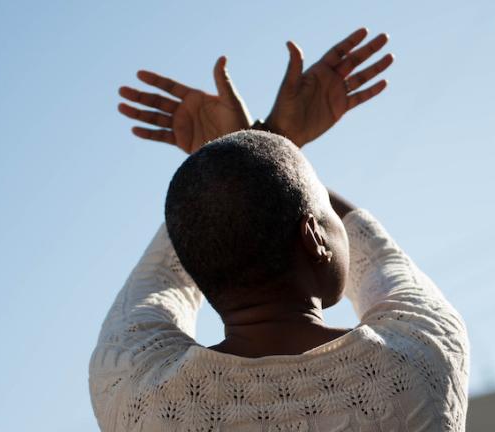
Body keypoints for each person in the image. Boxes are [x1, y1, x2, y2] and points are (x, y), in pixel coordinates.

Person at [89, 28, 469, 431]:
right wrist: (272, 146)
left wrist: (241, 158)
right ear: (315, 237)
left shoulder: (136, 394)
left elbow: (159, 278)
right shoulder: (417, 360)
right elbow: (381, 260)